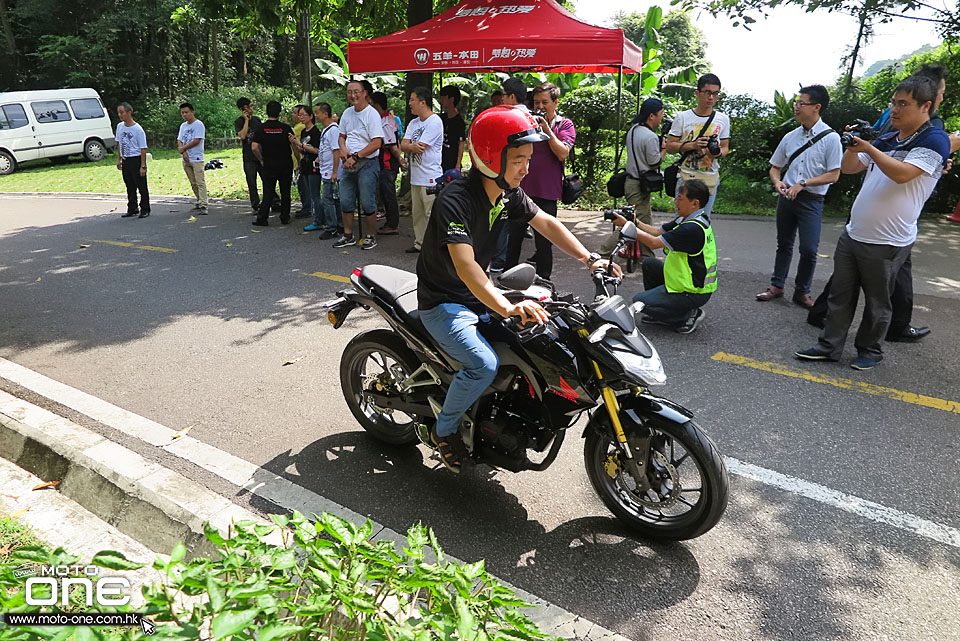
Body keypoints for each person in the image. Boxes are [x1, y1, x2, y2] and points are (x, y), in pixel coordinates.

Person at [416, 106, 620, 473]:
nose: (527, 167)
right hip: (445, 301)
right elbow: (467, 269)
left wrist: (591, 258)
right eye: (519, 159)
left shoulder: (509, 194)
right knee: (482, 364)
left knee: (544, 335)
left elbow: (547, 223)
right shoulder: (456, 200)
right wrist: (508, 307)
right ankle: (443, 431)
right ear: (492, 157)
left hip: (483, 293)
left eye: (529, 158)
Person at [796, 76, 950, 370]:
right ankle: (829, 346)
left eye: (903, 104)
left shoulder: (933, 139)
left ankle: (870, 351)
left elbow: (903, 173)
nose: (895, 110)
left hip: (889, 240)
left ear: (925, 106)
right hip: (854, 233)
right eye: (894, 103)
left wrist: (869, 147)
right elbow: (849, 167)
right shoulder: (889, 136)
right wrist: (854, 146)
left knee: (878, 303)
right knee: (840, 296)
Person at [756, 85, 842, 308]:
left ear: (816, 107)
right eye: (796, 103)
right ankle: (777, 285)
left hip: (812, 200)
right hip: (787, 198)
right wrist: (778, 182)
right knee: (783, 244)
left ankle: (802, 292)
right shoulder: (790, 137)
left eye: (801, 103)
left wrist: (803, 183)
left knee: (809, 249)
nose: (796, 107)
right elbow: (775, 167)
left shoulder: (831, 138)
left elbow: (834, 175)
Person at [505, 82, 576, 280]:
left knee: (544, 242)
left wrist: (547, 130)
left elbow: (563, 153)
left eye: (545, 102)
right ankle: (506, 280)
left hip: (547, 193)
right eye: (536, 102)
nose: (540, 107)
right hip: (520, 191)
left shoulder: (565, 125)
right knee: (514, 240)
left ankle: (545, 281)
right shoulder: (526, 121)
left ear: (556, 102)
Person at [629, 179, 717, 334]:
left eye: (680, 199)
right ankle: (661, 312)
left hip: (693, 292)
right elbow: (657, 232)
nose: (676, 202)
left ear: (694, 203)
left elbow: (654, 243)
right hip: (685, 282)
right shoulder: (691, 218)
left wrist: (627, 227)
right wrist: (634, 222)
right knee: (649, 263)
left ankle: (686, 316)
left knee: (639, 302)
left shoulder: (692, 228)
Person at [665, 73, 730, 218]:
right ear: (697, 93)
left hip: (710, 177)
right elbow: (670, 146)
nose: (711, 97)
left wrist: (717, 153)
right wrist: (693, 145)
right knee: (681, 221)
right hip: (687, 177)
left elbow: (725, 147)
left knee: (703, 222)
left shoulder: (723, 119)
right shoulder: (682, 117)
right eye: (707, 93)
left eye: (715, 93)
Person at [334, 79, 384, 250]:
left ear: (365, 93)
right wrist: (342, 149)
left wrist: (355, 156)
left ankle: (371, 235)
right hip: (347, 162)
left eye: (356, 91)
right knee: (346, 200)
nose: (352, 95)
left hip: (367, 162)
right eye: (349, 91)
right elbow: (342, 136)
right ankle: (348, 235)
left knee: (367, 201)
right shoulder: (347, 113)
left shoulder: (372, 114)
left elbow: (377, 143)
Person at [615, 97, 666, 259]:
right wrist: (664, 148)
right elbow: (654, 163)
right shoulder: (650, 136)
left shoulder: (633, 130)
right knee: (634, 222)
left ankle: (644, 254)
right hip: (640, 185)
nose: (662, 117)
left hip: (631, 181)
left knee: (642, 219)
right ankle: (603, 251)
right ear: (651, 116)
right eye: (660, 114)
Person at [400, 86, 444, 253]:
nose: (409, 103)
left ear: (422, 102)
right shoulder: (413, 122)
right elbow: (404, 145)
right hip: (416, 177)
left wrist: (409, 146)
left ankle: (435, 248)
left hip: (430, 177)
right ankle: (420, 244)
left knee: (431, 214)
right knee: (417, 214)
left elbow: (421, 147)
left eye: (412, 100)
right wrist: (410, 146)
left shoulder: (435, 121)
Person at [250, 100, 297, 226]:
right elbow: (294, 144)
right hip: (285, 163)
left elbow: (254, 147)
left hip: (269, 163)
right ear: (279, 112)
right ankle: (285, 216)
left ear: (266, 112)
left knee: (268, 191)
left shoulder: (261, 128)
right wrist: (298, 159)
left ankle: (263, 218)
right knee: (285, 191)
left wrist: (260, 159)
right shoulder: (286, 128)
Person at [370, 92, 401, 236]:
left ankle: (392, 224)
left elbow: (393, 146)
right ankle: (390, 222)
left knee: (389, 194)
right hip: (383, 164)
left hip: (387, 164)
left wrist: (400, 159)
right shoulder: (385, 119)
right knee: (384, 193)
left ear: (376, 105)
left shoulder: (386, 122)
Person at [290, 105, 324, 232]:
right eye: (299, 115)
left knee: (315, 194)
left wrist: (301, 144)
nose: (301, 117)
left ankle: (319, 220)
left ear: (311, 116)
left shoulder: (316, 133)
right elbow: (302, 149)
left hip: (314, 166)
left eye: (304, 115)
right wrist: (294, 143)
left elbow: (317, 150)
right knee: (309, 192)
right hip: (305, 165)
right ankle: (318, 218)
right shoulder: (304, 131)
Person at [115, 102, 150, 219]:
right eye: (119, 113)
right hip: (126, 159)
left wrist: (143, 165)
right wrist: (119, 158)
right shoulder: (120, 126)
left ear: (129, 113)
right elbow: (119, 143)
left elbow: (143, 148)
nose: (120, 115)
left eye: (122, 112)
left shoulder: (137, 129)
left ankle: (145, 208)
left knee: (141, 185)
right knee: (129, 185)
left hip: (136, 159)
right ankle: (132, 207)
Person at [313, 102, 342, 240]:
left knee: (327, 199)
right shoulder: (327, 129)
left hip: (330, 171)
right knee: (334, 199)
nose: (315, 115)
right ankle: (339, 224)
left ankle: (332, 227)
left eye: (317, 112)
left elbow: (336, 151)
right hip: (326, 169)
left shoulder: (333, 130)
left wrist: (335, 172)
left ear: (325, 114)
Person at [176, 102, 208, 214]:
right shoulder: (183, 126)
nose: (185, 115)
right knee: (193, 182)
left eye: (186, 112)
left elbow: (197, 140)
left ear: (192, 112)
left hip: (197, 158)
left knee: (200, 181)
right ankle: (199, 201)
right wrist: (183, 151)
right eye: (182, 113)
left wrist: (183, 148)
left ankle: (204, 204)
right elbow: (179, 139)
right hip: (186, 158)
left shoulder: (198, 125)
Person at [234, 97, 263, 214]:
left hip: (260, 154)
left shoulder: (257, 120)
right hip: (248, 156)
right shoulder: (239, 122)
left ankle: (274, 201)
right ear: (242, 109)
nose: (251, 109)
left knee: (266, 178)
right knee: (251, 182)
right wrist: (246, 120)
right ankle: (256, 205)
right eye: (248, 107)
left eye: (251, 106)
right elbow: (242, 135)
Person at [439, 85, 467, 172]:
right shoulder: (441, 118)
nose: (441, 100)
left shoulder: (459, 122)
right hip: (440, 159)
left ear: (451, 99)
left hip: (452, 160)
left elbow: (461, 144)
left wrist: (458, 164)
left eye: (444, 97)